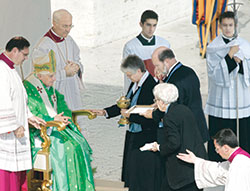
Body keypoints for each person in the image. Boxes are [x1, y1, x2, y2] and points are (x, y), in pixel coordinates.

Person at [23, 50, 95, 191]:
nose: (54, 79)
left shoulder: (50, 89)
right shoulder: (30, 90)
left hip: (57, 128)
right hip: (40, 133)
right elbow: (33, 115)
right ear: (39, 76)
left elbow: (62, 105)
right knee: (68, 147)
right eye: (51, 76)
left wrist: (64, 117)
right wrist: (52, 119)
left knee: (79, 144)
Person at [92, 55, 160, 191]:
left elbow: (150, 116)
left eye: (130, 75)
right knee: (131, 168)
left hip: (145, 134)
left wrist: (130, 116)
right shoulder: (135, 83)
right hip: (133, 132)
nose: (128, 78)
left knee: (140, 171)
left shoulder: (151, 86)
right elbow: (125, 104)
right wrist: (105, 112)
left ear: (139, 71)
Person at [0, 37, 46, 191]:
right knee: (7, 173)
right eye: (24, 54)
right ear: (14, 51)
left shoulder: (11, 69)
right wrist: (14, 126)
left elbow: (19, 99)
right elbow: (3, 101)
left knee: (17, 172)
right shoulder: (1, 69)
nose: (26, 58)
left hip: (17, 131)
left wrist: (29, 116)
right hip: (8, 133)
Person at [142, 83, 207, 191]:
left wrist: (158, 147)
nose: (155, 103)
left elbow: (174, 143)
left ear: (162, 102)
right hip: (196, 164)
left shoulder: (169, 117)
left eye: (156, 100)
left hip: (182, 169)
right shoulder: (184, 109)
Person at [205, 11, 250, 161]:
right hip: (222, 97)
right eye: (224, 25)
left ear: (235, 25)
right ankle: (219, 161)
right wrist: (230, 56)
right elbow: (215, 75)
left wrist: (241, 62)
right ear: (219, 26)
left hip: (241, 97)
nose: (228, 29)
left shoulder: (244, 45)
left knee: (242, 131)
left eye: (230, 25)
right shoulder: (213, 47)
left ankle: (243, 160)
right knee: (222, 130)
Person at [144, 47, 209, 143]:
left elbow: (171, 107)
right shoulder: (188, 71)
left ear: (166, 61)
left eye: (157, 65)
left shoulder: (175, 81)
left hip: (185, 132)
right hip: (197, 125)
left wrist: (153, 115)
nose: (156, 69)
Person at [177, 128, 250, 191]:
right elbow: (218, 170)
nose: (217, 152)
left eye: (217, 149)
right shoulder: (238, 158)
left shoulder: (238, 165)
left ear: (225, 148)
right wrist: (196, 160)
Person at [123, 10, 170, 92]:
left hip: (160, 89)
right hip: (140, 91)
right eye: (148, 25)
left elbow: (168, 69)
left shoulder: (164, 44)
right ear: (141, 24)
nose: (151, 29)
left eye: (154, 25)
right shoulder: (130, 46)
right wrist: (129, 95)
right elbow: (129, 74)